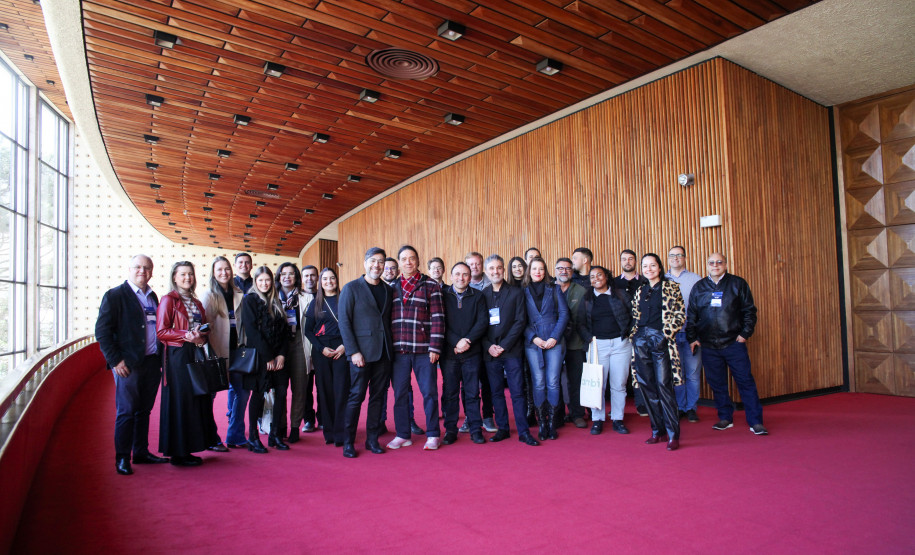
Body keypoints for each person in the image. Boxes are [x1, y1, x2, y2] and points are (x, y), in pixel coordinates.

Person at [96, 255, 168, 475]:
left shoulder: (153, 297)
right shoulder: (115, 295)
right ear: (129, 269)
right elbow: (103, 331)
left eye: (147, 268)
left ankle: (141, 452)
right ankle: (122, 458)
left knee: (144, 411)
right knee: (126, 412)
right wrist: (115, 360)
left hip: (151, 362)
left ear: (152, 272)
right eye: (138, 267)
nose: (142, 271)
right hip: (128, 365)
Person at [687, 253, 766, 435]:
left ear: (725, 264)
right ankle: (725, 417)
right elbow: (691, 314)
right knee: (717, 384)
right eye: (711, 262)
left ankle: (756, 421)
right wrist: (692, 337)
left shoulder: (738, 284)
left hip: (733, 343)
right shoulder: (699, 287)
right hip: (708, 346)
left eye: (719, 262)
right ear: (707, 265)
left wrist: (745, 334)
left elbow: (749, 311)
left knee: (745, 382)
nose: (715, 265)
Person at [338, 247, 394, 458]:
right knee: (356, 397)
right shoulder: (351, 288)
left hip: (384, 353)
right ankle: (348, 442)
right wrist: (353, 352)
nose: (376, 265)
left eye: (380, 262)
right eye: (373, 261)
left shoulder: (388, 290)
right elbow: (344, 322)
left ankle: (372, 439)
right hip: (360, 354)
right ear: (365, 263)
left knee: (378, 398)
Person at [388, 245, 445, 451]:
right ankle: (403, 434)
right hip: (398, 351)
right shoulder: (391, 287)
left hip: (423, 350)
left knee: (429, 392)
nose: (408, 262)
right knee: (400, 394)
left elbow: (438, 319)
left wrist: (435, 347)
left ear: (418, 261)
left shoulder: (430, 285)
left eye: (412, 258)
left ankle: (432, 434)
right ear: (399, 262)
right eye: (404, 259)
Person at [155, 261, 212, 466]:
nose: (187, 278)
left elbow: (204, 328)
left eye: (190, 274)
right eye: (183, 274)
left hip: (195, 352)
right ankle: (178, 453)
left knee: (194, 400)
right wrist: (186, 336)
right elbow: (161, 332)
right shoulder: (168, 300)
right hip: (177, 355)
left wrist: (201, 336)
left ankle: (189, 447)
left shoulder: (197, 303)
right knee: (180, 401)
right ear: (174, 277)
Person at [628, 253, 684, 451]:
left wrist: (666, 333)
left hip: (660, 339)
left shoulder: (671, 287)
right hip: (641, 338)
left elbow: (680, 314)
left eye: (653, 265)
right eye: (645, 266)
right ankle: (656, 430)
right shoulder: (640, 290)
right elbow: (635, 315)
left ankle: (672, 433)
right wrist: (634, 335)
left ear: (659, 268)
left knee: (663, 386)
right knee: (647, 386)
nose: (649, 269)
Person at [482, 255, 539, 446]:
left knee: (517, 392)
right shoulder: (483, 294)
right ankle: (503, 428)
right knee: (496, 392)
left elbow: (520, 321)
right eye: (491, 269)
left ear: (502, 270)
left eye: (498, 268)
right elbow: (480, 324)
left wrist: (504, 345)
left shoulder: (515, 293)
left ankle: (523, 431)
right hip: (490, 351)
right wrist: (489, 345)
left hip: (511, 350)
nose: (495, 272)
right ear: (486, 271)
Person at [239, 266, 292, 453]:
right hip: (261, 357)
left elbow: (285, 332)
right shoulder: (250, 300)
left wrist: (281, 355)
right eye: (260, 280)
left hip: (278, 358)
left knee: (282, 393)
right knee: (259, 395)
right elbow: (252, 332)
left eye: (267, 280)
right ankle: (253, 436)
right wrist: (268, 356)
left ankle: (275, 434)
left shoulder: (276, 301)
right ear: (255, 281)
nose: (264, 283)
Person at [440, 262, 489, 445]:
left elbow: (483, 322)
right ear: (451, 276)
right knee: (450, 392)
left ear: (470, 277)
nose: (461, 278)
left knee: (472, 392)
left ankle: (476, 429)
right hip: (450, 353)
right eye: (458, 274)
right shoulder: (443, 295)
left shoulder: (478, 296)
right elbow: (440, 322)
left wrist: (467, 340)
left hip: (472, 352)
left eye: (465, 274)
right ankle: (450, 430)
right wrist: (455, 341)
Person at [523, 257, 569, 441]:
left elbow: (564, 314)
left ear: (545, 271)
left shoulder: (555, 288)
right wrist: (533, 338)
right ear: (529, 271)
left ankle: (552, 423)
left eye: (541, 269)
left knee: (552, 381)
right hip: (533, 342)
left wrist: (554, 337)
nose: (538, 272)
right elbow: (520, 319)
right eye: (534, 268)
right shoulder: (522, 291)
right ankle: (542, 422)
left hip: (554, 341)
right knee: (539, 382)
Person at [200, 256, 244, 451]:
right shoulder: (209, 295)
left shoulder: (238, 292)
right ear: (213, 272)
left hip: (238, 352)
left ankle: (235, 434)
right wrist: (210, 354)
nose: (224, 273)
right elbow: (204, 328)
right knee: (210, 397)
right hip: (216, 353)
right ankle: (210, 438)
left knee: (242, 392)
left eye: (227, 269)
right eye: (219, 269)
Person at [584, 265, 633, 435]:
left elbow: (633, 315)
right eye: (592, 276)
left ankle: (617, 418)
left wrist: (627, 333)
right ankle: (597, 419)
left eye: (599, 275)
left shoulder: (620, 294)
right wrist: (588, 339)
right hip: (597, 345)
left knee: (619, 384)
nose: (596, 278)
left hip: (620, 344)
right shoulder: (587, 297)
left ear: (607, 277)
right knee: (597, 384)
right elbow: (579, 322)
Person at [303, 267, 349, 447]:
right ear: (319, 282)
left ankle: (341, 432)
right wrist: (321, 348)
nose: (329, 282)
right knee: (325, 392)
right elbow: (308, 331)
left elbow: (352, 324)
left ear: (337, 280)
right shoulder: (315, 302)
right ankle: (329, 432)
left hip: (342, 348)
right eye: (325, 279)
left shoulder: (344, 299)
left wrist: (345, 346)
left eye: (332, 278)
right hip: (322, 351)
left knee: (341, 391)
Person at [666, 246, 703, 423]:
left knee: (693, 373)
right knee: (676, 373)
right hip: (670, 335)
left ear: (685, 258)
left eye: (679, 255)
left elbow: (703, 308)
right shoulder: (662, 279)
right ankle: (680, 407)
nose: (675, 258)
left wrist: (696, 334)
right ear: (668, 259)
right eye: (672, 255)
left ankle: (691, 408)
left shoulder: (696, 279)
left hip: (691, 334)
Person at [463, 251, 496, 432]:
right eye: (471, 264)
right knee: (468, 383)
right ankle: (470, 416)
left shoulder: (492, 283)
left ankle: (488, 416)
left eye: (477, 264)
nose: (474, 267)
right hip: (469, 342)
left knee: (487, 381)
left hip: (488, 340)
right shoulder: (461, 285)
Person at [555, 257, 588, 429]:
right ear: (555, 271)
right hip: (554, 344)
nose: (564, 271)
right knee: (555, 381)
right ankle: (558, 414)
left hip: (576, 342)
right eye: (560, 268)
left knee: (576, 380)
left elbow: (585, 317)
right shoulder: (549, 290)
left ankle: (577, 414)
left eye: (567, 268)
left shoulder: (581, 291)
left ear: (572, 271)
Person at [276, 262, 306, 443]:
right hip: (279, 346)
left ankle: (295, 426)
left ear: (296, 277)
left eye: (291, 274)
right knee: (279, 389)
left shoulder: (304, 297)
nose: (287, 277)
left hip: (299, 344)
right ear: (279, 277)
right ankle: (280, 426)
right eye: (283, 273)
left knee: (300, 388)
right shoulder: (272, 297)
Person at [615, 249, 648, 416]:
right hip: (618, 333)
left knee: (641, 368)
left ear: (636, 262)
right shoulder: (613, 283)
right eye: (624, 259)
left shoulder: (645, 281)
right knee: (618, 372)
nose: (627, 261)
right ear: (620, 261)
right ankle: (615, 405)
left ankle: (641, 403)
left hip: (641, 331)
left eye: (631, 259)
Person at [507, 255, 536, 425]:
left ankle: (533, 410)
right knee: (521, 377)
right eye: (514, 266)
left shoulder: (531, 286)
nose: (517, 269)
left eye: (520, 266)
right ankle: (525, 410)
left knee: (533, 376)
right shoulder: (508, 288)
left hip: (532, 336)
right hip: (515, 338)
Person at [227, 252, 254, 417]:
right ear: (235, 265)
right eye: (240, 262)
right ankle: (232, 413)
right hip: (233, 338)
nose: (244, 265)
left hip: (251, 338)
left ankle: (255, 416)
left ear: (251, 265)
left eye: (247, 263)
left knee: (251, 381)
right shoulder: (229, 284)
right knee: (234, 382)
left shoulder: (256, 283)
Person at [298, 265, 318, 434]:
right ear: (302, 278)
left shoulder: (325, 294)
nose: (310, 278)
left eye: (313, 275)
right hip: (303, 347)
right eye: (306, 276)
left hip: (323, 348)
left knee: (325, 386)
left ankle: (325, 418)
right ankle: (308, 420)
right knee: (305, 387)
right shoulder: (297, 297)